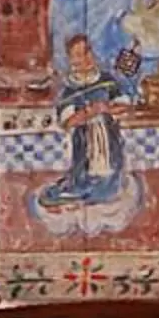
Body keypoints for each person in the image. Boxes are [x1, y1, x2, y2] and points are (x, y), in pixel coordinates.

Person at [39, 31, 139, 210]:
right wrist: (91, 111)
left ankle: (107, 188)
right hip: (85, 142)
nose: (85, 58)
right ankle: (78, 191)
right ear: (71, 60)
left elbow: (124, 105)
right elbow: (67, 122)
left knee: (110, 180)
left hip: (108, 139)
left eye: (87, 52)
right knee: (83, 176)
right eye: (78, 55)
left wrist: (107, 108)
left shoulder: (107, 81)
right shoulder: (69, 89)